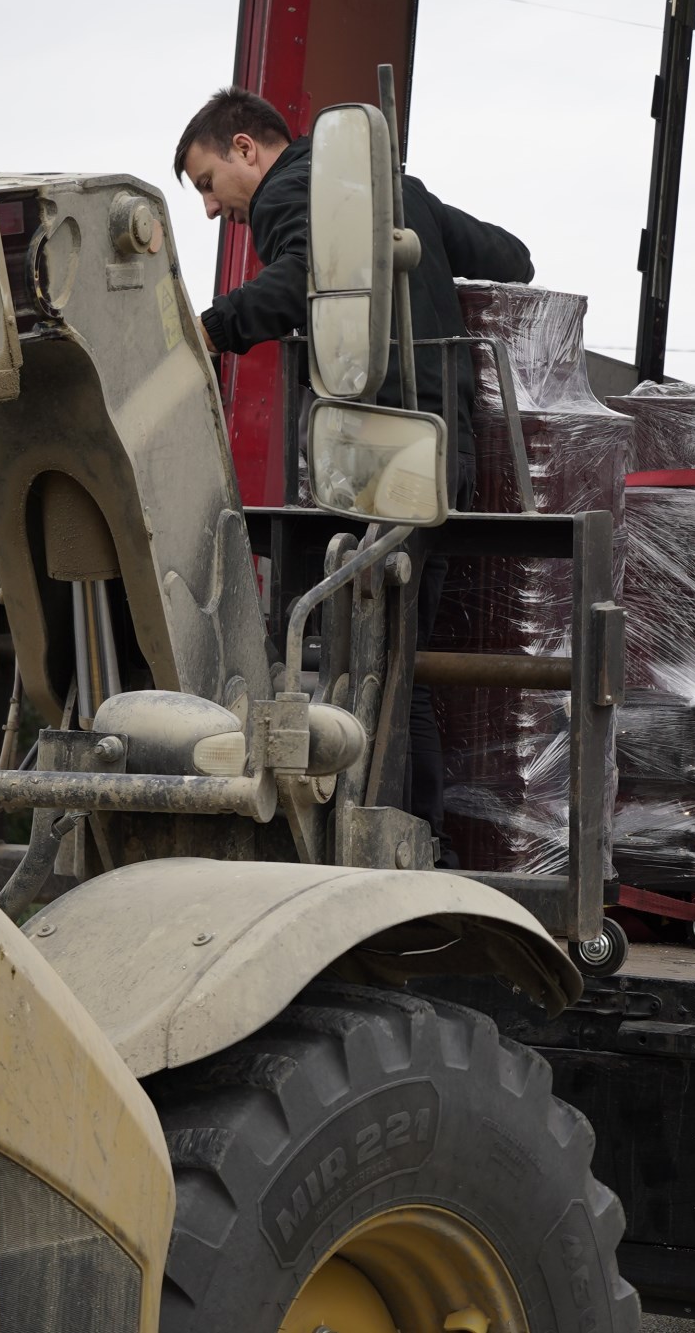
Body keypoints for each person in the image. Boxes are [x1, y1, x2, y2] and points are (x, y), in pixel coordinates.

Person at [173, 87, 535, 862]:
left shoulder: (285, 194)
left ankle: (387, 847)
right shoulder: (391, 186)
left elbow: (304, 275)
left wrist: (209, 327)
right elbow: (509, 257)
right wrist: (409, 230)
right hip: (446, 443)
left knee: (364, 663)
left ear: (246, 148)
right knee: (400, 660)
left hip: (379, 448)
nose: (211, 210)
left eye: (207, 183)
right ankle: (416, 838)